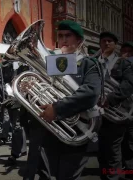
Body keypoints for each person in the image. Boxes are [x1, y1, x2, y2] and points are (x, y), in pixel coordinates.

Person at [23, 20, 102, 180]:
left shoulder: (88, 64)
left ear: (79, 40)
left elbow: (91, 93)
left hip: (76, 131)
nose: (64, 39)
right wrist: (30, 90)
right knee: (46, 176)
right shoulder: (49, 64)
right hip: (50, 131)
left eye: (68, 36)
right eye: (60, 36)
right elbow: (43, 91)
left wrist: (57, 109)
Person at [96, 32, 133, 180]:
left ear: (115, 45)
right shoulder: (92, 62)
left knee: (113, 152)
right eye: (104, 41)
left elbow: (128, 85)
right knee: (101, 153)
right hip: (97, 115)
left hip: (115, 113)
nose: (106, 43)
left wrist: (110, 98)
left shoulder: (123, 63)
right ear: (100, 43)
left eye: (110, 41)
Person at [120, 42, 133, 180]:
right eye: (124, 51)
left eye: (130, 52)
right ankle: (123, 167)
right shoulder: (118, 66)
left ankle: (131, 171)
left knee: (131, 139)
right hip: (120, 108)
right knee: (120, 140)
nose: (126, 55)